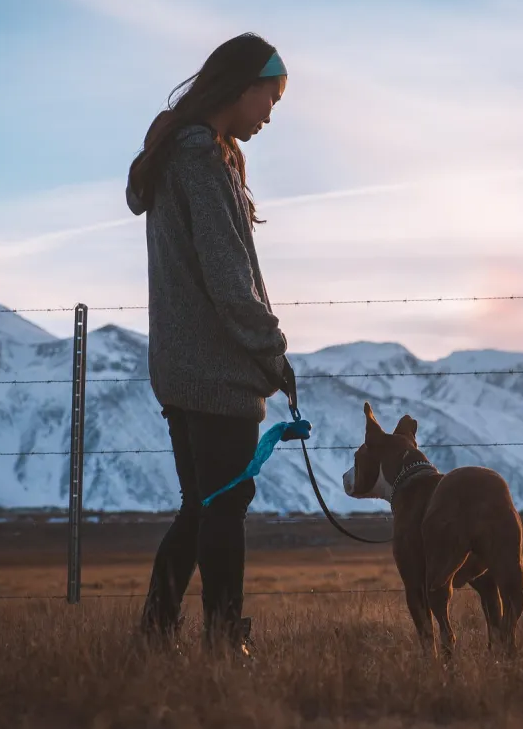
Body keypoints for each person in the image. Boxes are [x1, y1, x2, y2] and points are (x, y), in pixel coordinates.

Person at [125, 32, 296, 658]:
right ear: (243, 86)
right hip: (217, 369)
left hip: (178, 365)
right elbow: (230, 281)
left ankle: (155, 632)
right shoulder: (201, 159)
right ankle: (225, 642)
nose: (270, 115)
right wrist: (273, 352)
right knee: (224, 509)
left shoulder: (179, 154)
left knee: (202, 507)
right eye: (269, 99)